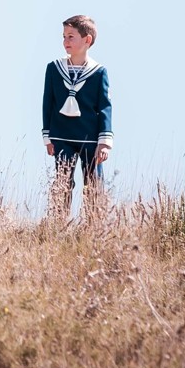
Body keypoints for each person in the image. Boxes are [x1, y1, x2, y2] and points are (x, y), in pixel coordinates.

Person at [43, 15, 113, 219]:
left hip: (90, 138)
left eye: (71, 36)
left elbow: (105, 106)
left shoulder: (99, 72)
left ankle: (94, 225)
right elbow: (48, 102)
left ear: (87, 40)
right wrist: (47, 136)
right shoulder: (54, 69)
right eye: (64, 36)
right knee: (62, 180)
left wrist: (105, 141)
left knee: (93, 182)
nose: (65, 42)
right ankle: (58, 223)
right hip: (61, 136)